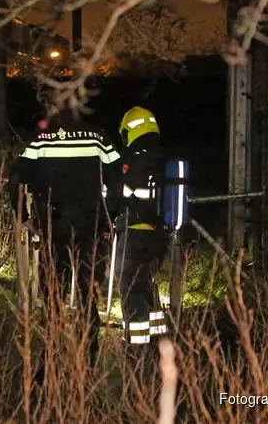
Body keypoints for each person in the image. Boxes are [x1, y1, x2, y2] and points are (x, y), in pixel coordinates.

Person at [8, 93, 123, 371]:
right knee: (87, 292)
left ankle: (48, 363)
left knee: (53, 295)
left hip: (52, 225)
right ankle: (88, 361)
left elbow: (15, 179)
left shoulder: (41, 138)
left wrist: (23, 217)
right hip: (91, 225)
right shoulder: (99, 137)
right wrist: (110, 217)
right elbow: (118, 179)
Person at [115, 107, 168, 355]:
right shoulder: (160, 156)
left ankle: (136, 348)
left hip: (135, 233)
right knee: (147, 286)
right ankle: (157, 339)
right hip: (158, 234)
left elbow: (125, 194)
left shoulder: (134, 157)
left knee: (131, 288)